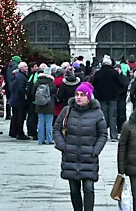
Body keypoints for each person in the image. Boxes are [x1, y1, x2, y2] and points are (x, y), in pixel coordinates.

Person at [53, 82, 108, 211]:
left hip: (89, 156)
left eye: (82, 95)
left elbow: (103, 134)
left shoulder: (97, 113)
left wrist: (96, 150)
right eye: (77, 94)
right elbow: (56, 129)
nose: (78, 97)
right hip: (70, 156)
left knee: (89, 188)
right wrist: (62, 146)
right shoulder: (67, 110)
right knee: (74, 189)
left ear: (88, 97)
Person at [94, 56, 124, 141]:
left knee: (103, 117)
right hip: (113, 97)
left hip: (101, 97)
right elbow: (121, 84)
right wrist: (117, 93)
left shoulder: (98, 73)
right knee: (113, 117)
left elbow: (93, 85)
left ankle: (102, 134)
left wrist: (96, 94)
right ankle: (113, 135)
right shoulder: (114, 73)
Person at [34, 65, 57, 144]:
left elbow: (32, 92)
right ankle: (49, 139)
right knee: (48, 123)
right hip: (49, 104)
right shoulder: (51, 82)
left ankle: (40, 140)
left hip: (39, 104)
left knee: (40, 122)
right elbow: (54, 92)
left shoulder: (38, 81)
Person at [9, 62, 29, 140]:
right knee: (20, 117)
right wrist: (25, 96)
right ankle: (19, 132)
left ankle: (14, 131)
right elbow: (20, 89)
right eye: (25, 66)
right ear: (21, 68)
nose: (27, 67)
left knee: (16, 116)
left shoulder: (19, 76)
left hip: (15, 99)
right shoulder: (21, 77)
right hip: (19, 100)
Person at [117, 64, 131, 135]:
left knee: (121, 113)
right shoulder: (114, 77)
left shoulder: (123, 78)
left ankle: (121, 128)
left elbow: (125, 86)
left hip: (121, 98)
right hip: (116, 98)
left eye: (117, 70)